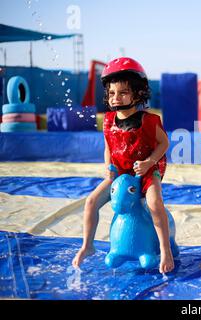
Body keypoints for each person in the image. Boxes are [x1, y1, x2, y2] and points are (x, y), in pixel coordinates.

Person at [72, 57, 174, 274]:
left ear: (138, 94)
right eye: (111, 93)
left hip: (147, 170)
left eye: (123, 93)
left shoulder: (149, 121)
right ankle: (87, 246)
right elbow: (109, 145)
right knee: (90, 202)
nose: (116, 98)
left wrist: (149, 163)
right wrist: (109, 167)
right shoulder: (108, 120)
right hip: (119, 172)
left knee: (155, 203)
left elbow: (164, 143)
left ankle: (165, 249)